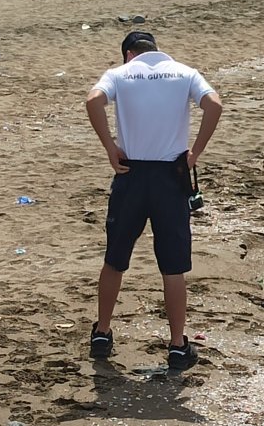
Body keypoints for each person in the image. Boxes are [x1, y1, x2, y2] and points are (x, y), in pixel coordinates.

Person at [85, 31, 223, 368]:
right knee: (173, 266)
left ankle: (102, 332)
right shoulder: (184, 72)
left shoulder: (120, 73)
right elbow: (214, 105)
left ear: (129, 54)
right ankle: (177, 344)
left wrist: (108, 146)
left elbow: (93, 101)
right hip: (169, 177)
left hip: (131, 174)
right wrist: (196, 152)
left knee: (115, 258)